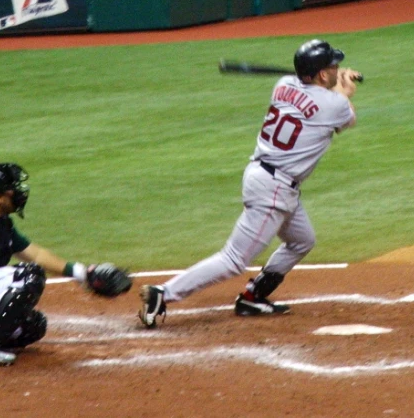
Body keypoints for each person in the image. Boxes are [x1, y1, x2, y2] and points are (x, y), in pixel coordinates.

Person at [139, 40, 360, 328]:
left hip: (264, 176)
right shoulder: (335, 104)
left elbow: (318, 100)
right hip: (274, 189)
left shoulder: (283, 84)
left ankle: (253, 296)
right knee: (233, 259)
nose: (338, 68)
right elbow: (345, 116)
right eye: (333, 66)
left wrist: (334, 87)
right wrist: (344, 88)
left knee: (302, 240)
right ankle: (163, 294)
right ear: (320, 75)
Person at [0, 163, 130, 365]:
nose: (18, 192)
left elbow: (36, 254)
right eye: (12, 189)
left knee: (32, 325)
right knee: (28, 276)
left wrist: (81, 273)